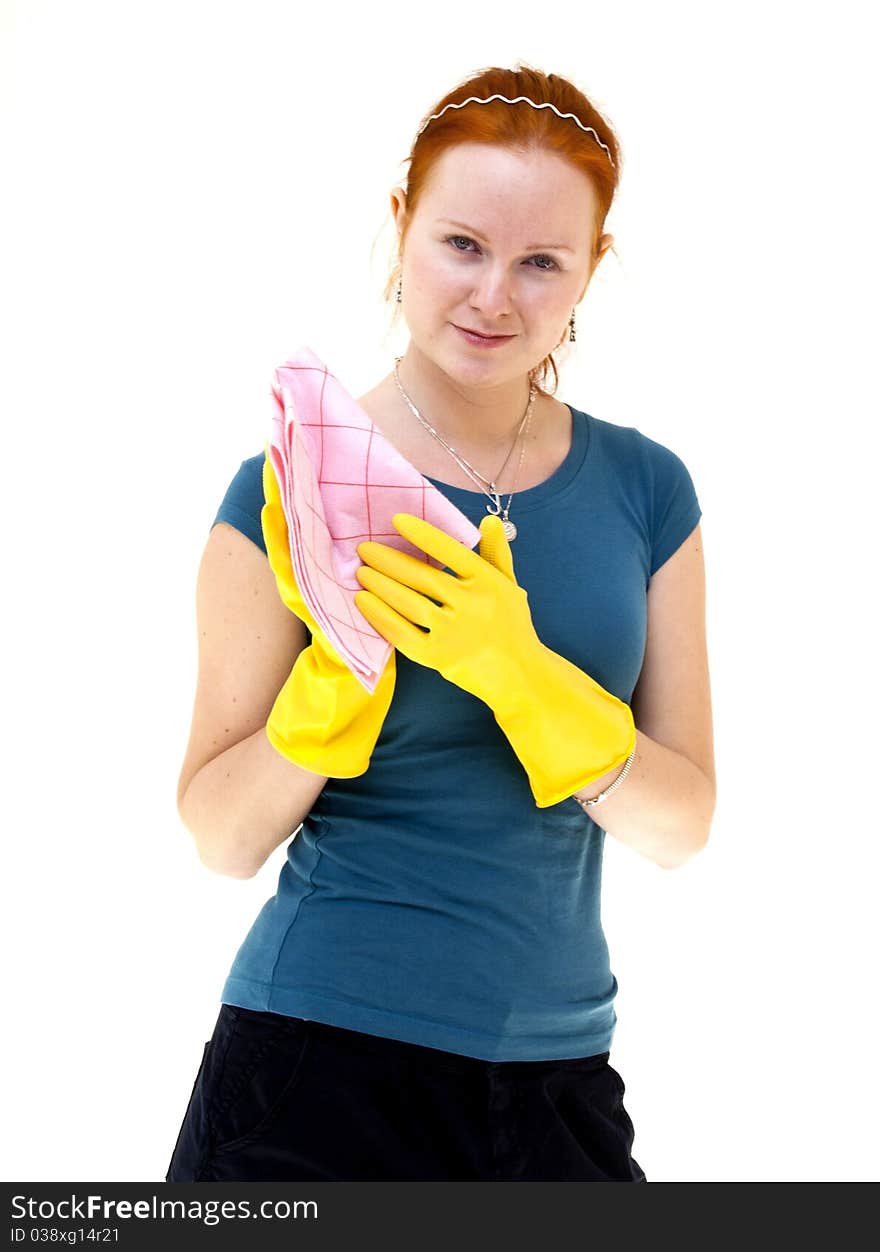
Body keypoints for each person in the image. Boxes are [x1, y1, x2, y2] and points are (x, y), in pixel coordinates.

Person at [165, 62, 715, 1183]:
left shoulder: (647, 489)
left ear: (590, 270)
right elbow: (219, 838)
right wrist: (318, 713)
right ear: (402, 226)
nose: (493, 297)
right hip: (313, 1068)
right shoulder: (284, 487)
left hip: (559, 1080)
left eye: (541, 262)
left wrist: (523, 674)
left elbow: (682, 824)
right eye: (461, 244)